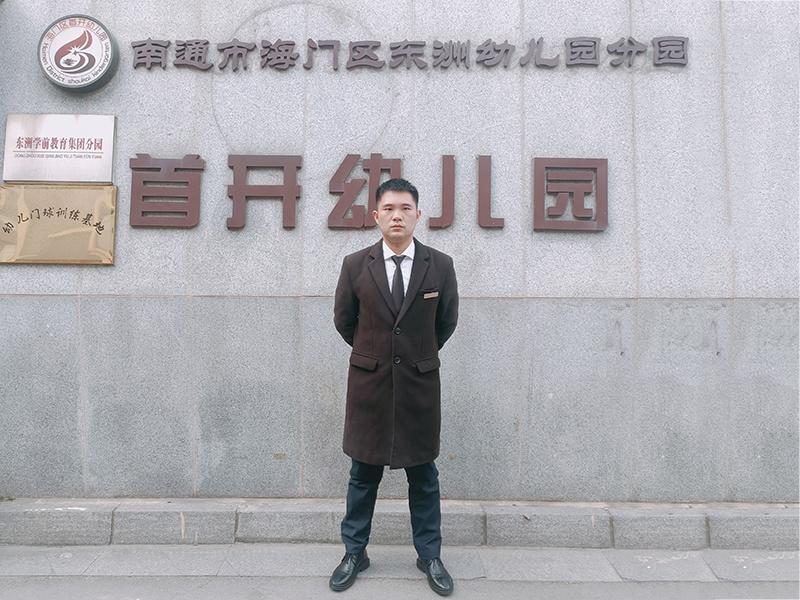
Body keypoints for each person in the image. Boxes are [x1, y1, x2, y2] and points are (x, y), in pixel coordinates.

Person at [330, 178, 459, 596]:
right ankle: (354, 552)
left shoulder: (440, 266)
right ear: (376, 216)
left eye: (405, 208)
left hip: (419, 389)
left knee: (424, 476)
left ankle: (430, 554)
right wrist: (375, 353)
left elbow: (446, 322)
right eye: (388, 208)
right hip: (370, 388)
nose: (397, 215)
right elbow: (344, 321)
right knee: (362, 475)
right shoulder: (355, 265)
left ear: (418, 215)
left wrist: (416, 354)